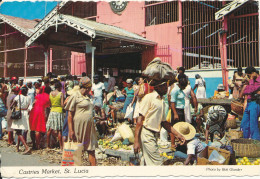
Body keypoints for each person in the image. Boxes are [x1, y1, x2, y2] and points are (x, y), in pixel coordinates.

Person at [134, 57, 185, 166]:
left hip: (154, 135)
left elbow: (164, 123)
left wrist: (178, 135)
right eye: (166, 86)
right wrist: (136, 141)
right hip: (147, 134)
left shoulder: (162, 101)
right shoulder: (149, 98)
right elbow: (139, 122)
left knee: (146, 163)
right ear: (160, 86)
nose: (167, 89)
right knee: (157, 164)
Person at [65, 77, 98, 166]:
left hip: (89, 128)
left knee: (91, 149)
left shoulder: (88, 97)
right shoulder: (75, 96)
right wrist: (71, 130)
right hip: (78, 127)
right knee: (76, 150)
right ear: (87, 87)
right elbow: (70, 115)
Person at [240, 66, 260, 140]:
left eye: (249, 75)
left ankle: (256, 142)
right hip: (249, 103)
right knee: (244, 124)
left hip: (255, 103)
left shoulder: (258, 80)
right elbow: (246, 91)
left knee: (253, 125)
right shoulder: (251, 82)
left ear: (253, 73)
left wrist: (251, 80)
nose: (248, 77)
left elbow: (251, 90)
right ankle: (245, 140)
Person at [11, 85, 32, 154]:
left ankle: (26, 147)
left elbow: (12, 105)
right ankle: (17, 147)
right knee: (21, 130)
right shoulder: (29, 97)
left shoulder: (18, 97)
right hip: (25, 113)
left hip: (19, 114)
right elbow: (30, 106)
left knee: (18, 131)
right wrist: (28, 109)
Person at [170, 75, 188, 148]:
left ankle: (181, 142)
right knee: (174, 127)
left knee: (181, 127)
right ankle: (172, 143)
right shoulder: (175, 90)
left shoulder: (181, 90)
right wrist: (175, 113)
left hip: (181, 110)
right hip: (176, 110)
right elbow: (172, 103)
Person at [46, 82, 64, 150]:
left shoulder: (50, 93)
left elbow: (50, 104)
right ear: (59, 87)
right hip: (59, 111)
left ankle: (48, 145)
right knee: (59, 130)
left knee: (50, 129)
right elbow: (62, 104)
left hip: (52, 111)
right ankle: (61, 146)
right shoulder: (60, 94)